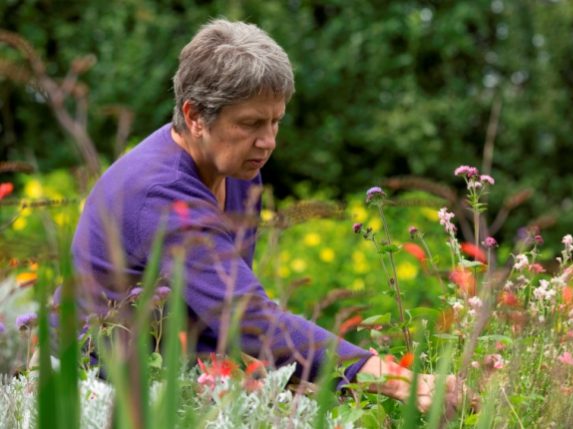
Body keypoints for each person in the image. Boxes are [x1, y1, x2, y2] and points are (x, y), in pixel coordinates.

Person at [71, 19, 451, 411]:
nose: (268, 142)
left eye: (275, 122)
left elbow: (219, 317)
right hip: (92, 390)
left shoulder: (237, 172)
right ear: (196, 116)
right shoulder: (160, 194)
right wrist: (397, 380)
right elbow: (245, 317)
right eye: (250, 123)